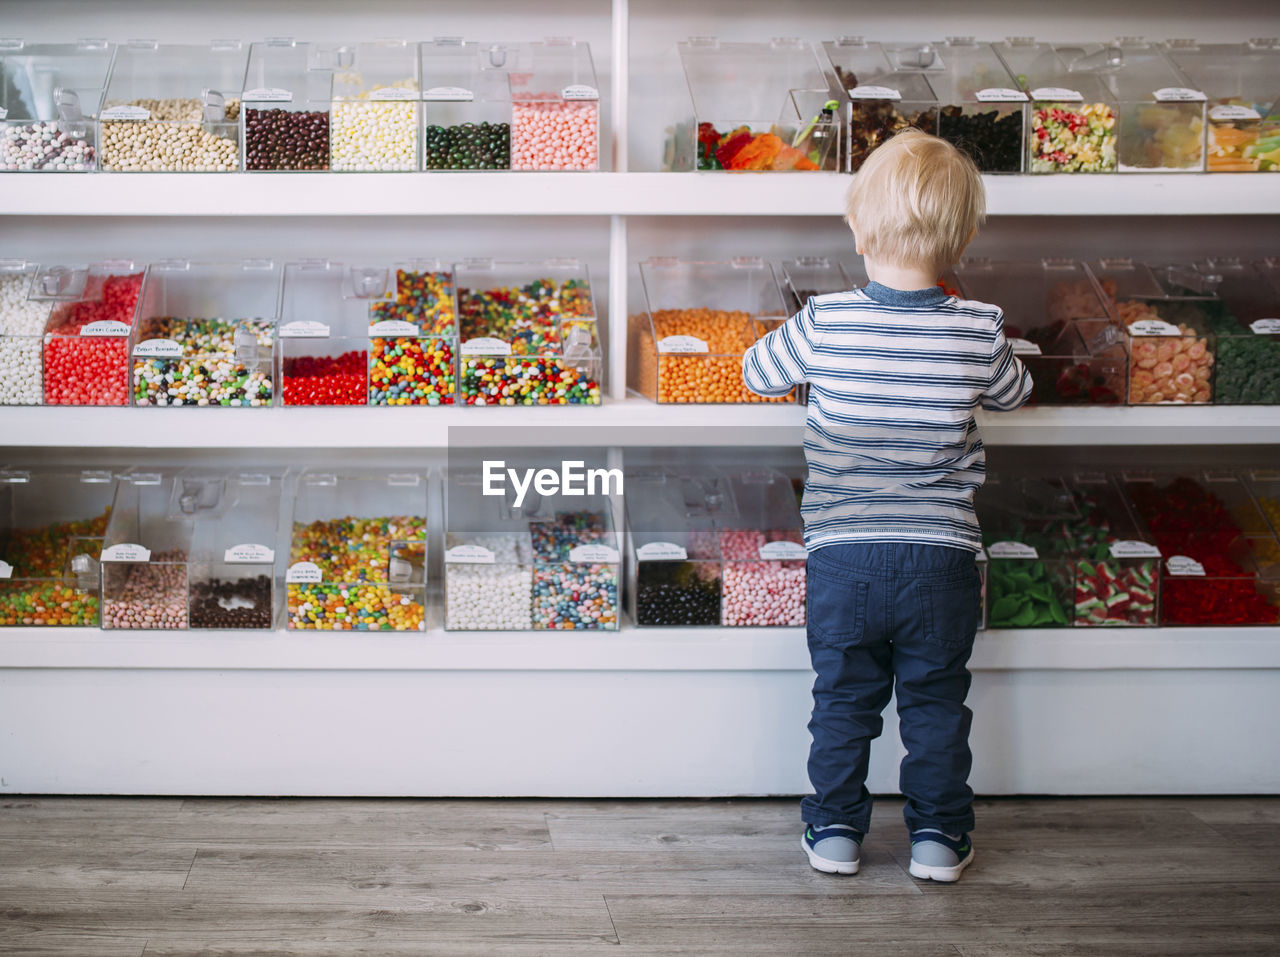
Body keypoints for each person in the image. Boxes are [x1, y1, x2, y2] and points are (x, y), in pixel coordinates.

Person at [742, 129, 1033, 883]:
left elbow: (758, 372)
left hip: (842, 555)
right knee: (936, 704)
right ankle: (938, 839)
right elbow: (1014, 394)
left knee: (843, 700)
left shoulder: (827, 320)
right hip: (942, 559)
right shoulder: (979, 326)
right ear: (963, 239)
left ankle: (835, 830)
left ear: (857, 229)